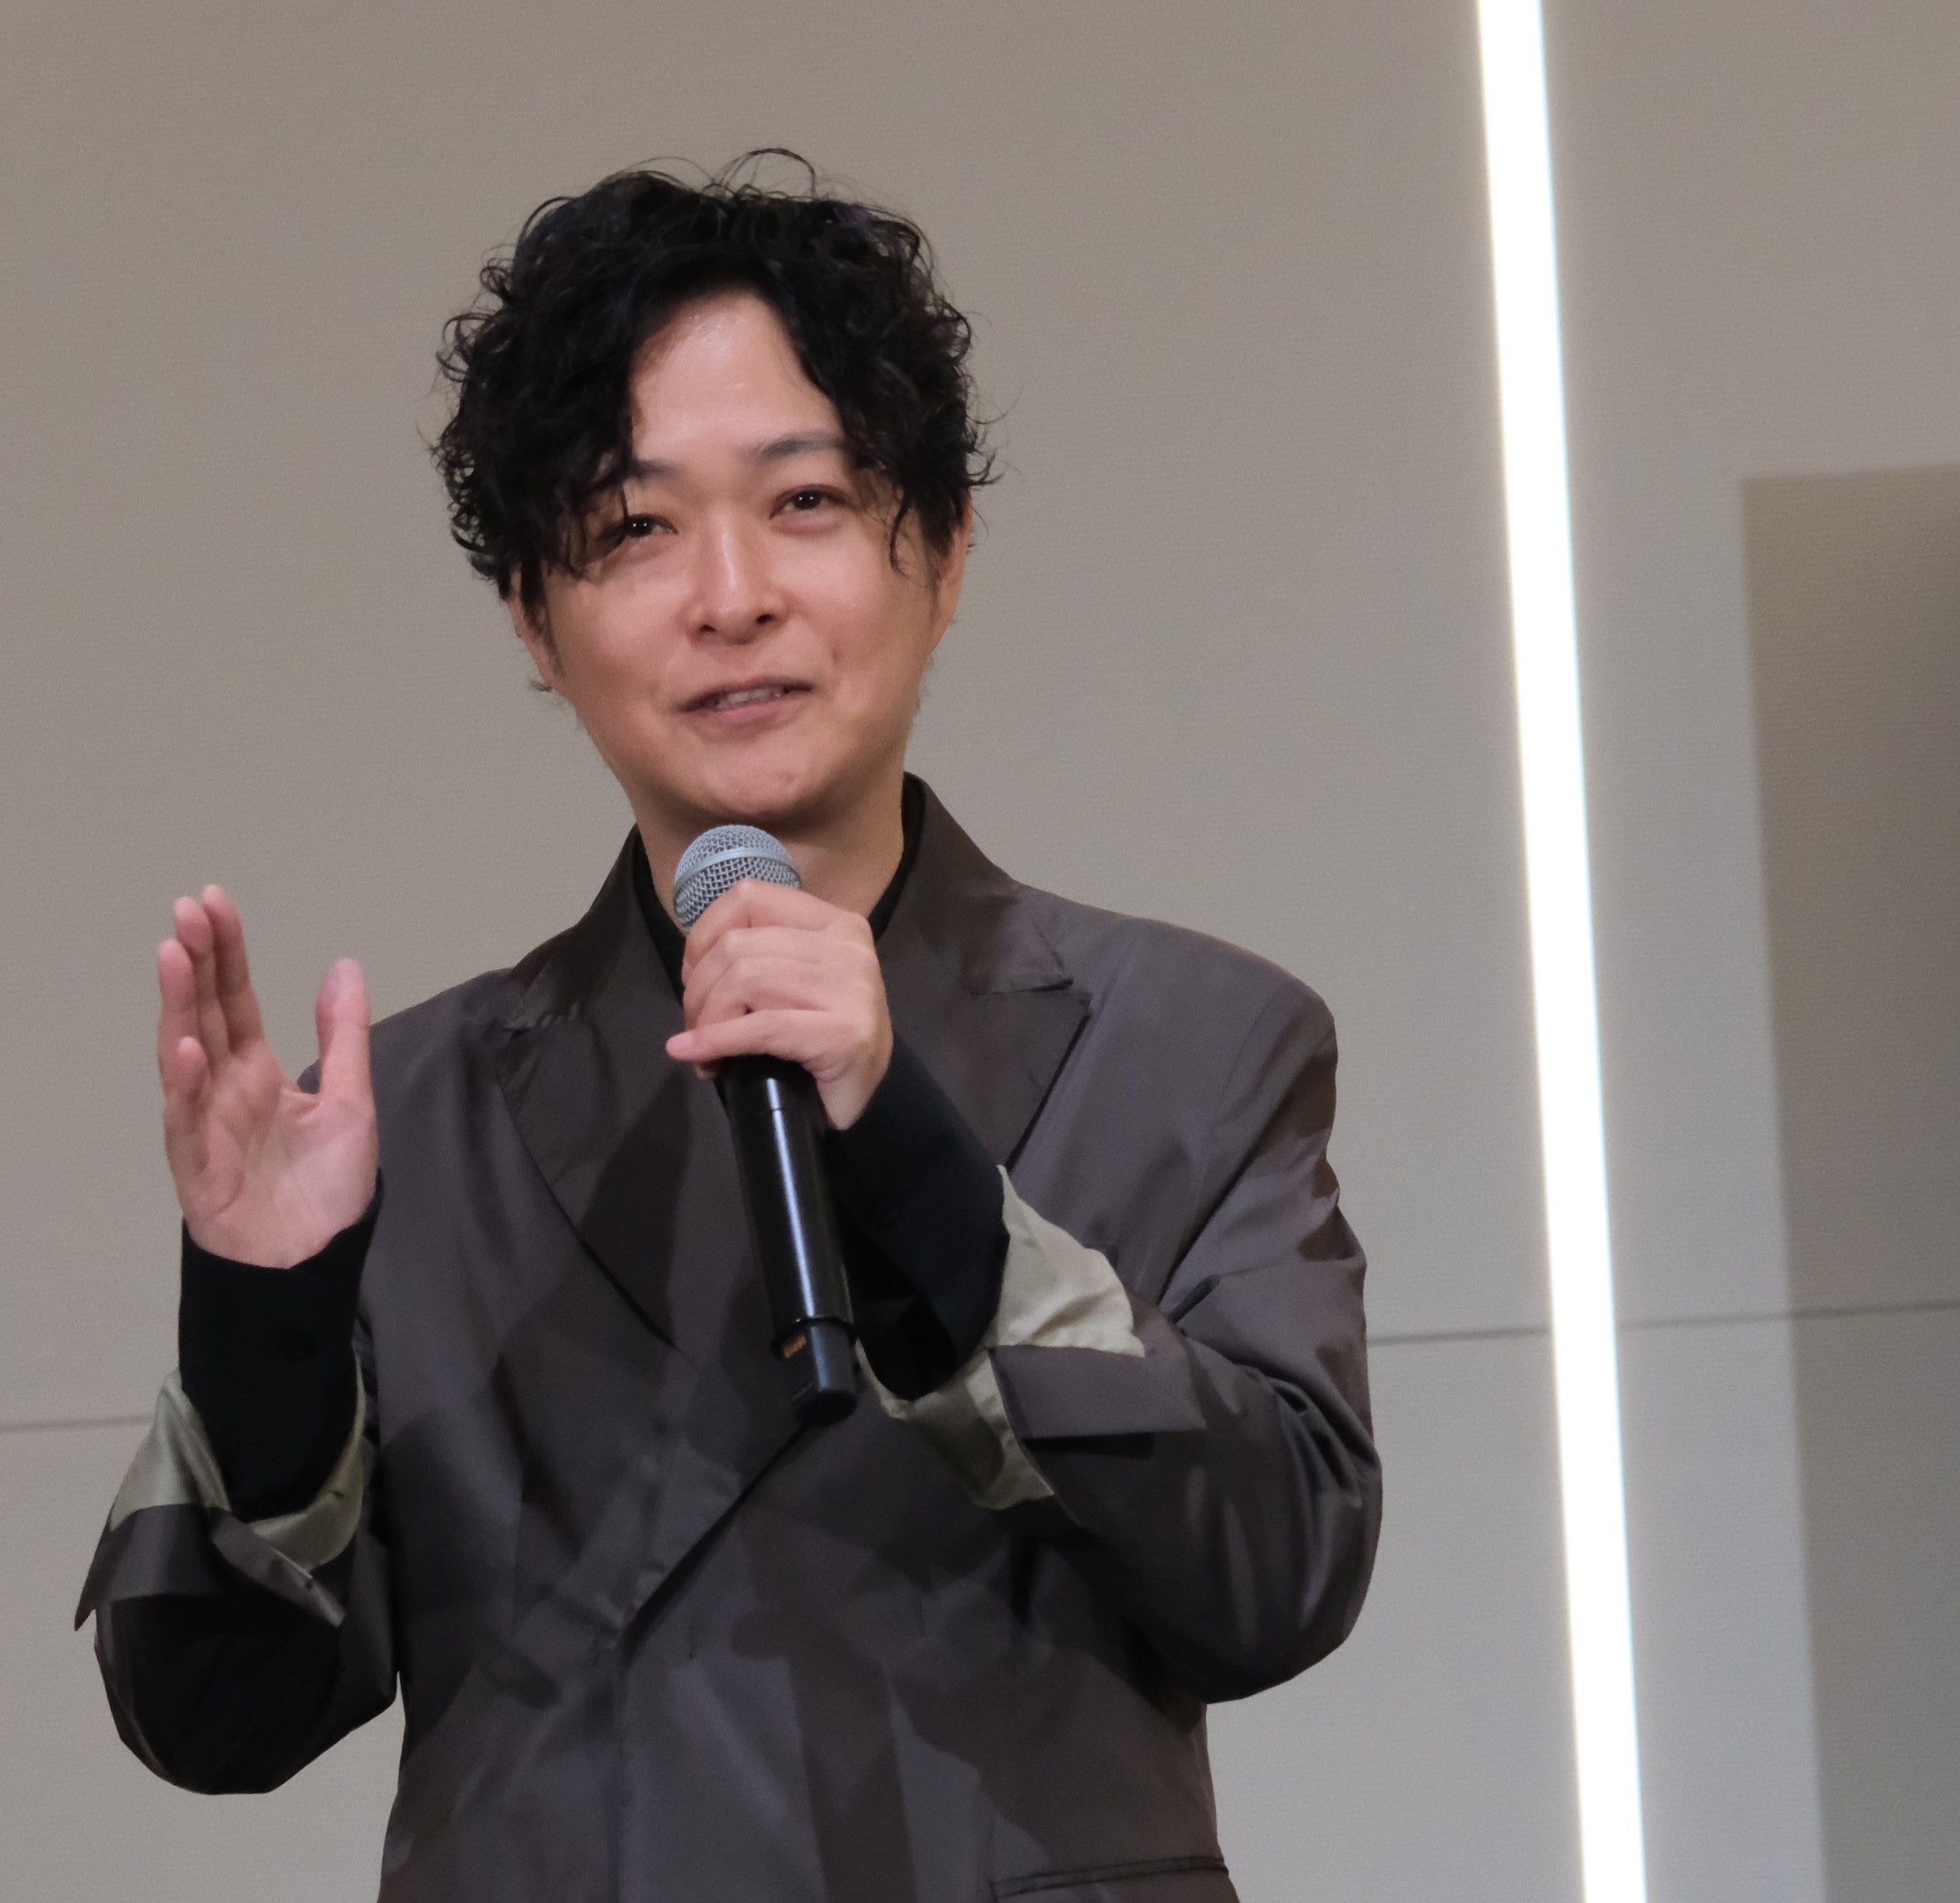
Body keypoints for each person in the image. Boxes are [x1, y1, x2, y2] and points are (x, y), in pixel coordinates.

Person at [79, 158, 1381, 1903]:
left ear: (945, 553)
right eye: (634, 530)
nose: (731, 593)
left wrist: (915, 1161)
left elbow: (1280, 1575)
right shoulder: (413, 1119)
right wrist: (264, 1317)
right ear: (533, 621)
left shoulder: (1192, 1046)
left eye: (807, 501)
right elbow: (214, 1719)